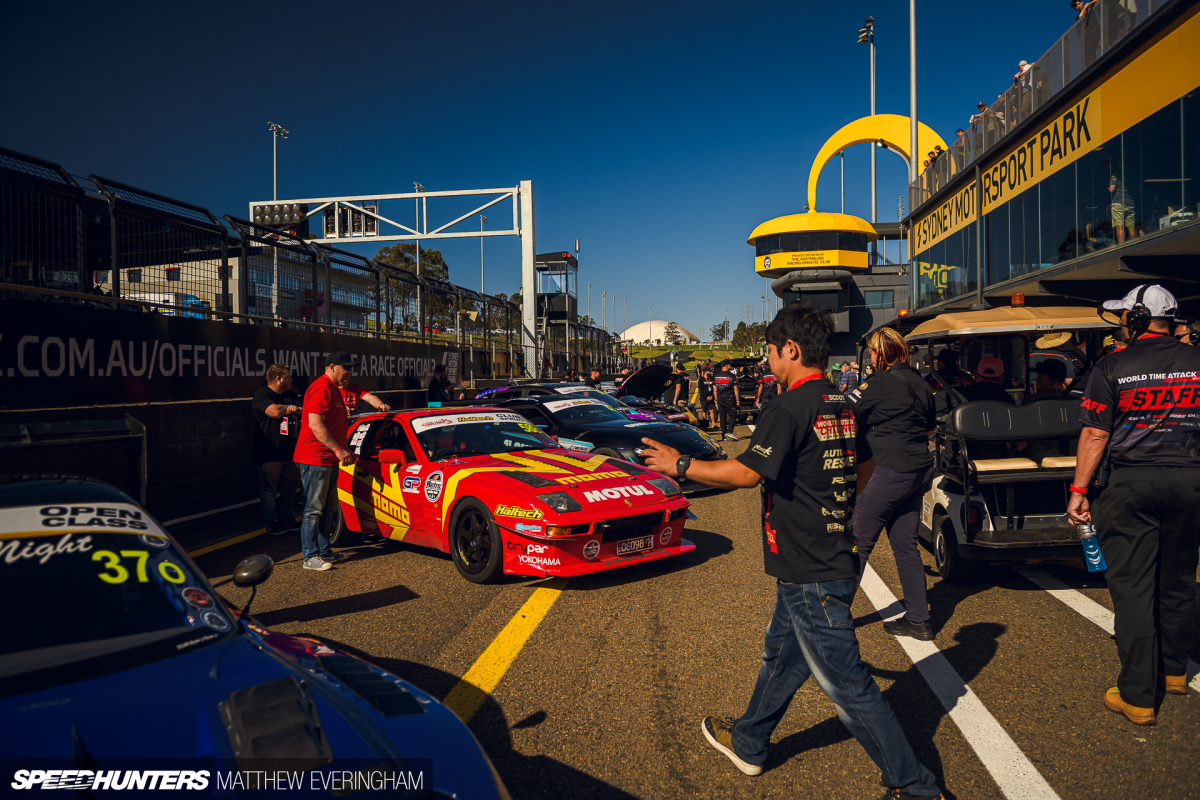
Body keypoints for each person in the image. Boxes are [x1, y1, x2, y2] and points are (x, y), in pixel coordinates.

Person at [638, 302, 942, 798]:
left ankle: (914, 785)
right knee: (782, 655)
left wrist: (680, 466)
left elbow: (744, 473)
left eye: (772, 351)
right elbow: (863, 469)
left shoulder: (787, 404)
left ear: (791, 350)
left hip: (809, 566)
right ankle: (751, 741)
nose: (770, 360)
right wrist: (827, 496)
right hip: (831, 555)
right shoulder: (841, 402)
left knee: (848, 685)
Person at [1067, 285, 1200, 726]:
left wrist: (1079, 490)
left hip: (1131, 485)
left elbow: (1095, 434)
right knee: (1179, 579)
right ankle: (1175, 672)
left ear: (1138, 318)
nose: (1121, 321)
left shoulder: (1113, 365)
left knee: (1134, 589)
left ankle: (1139, 696)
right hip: (1190, 482)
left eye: (1124, 315)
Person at [844, 328, 938, 641]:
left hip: (887, 471)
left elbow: (845, 413)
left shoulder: (877, 382)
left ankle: (833, 620)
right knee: (906, 547)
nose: (870, 357)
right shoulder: (920, 382)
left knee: (856, 545)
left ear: (881, 354)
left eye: (872, 352)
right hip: (918, 472)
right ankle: (918, 619)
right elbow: (928, 425)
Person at [293, 351, 359, 571]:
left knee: (327, 507)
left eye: (351, 368)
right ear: (332, 367)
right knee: (313, 509)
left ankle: (324, 551)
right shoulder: (321, 387)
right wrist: (338, 449)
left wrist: (341, 449)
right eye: (346, 368)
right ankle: (309, 556)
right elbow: (315, 424)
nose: (349, 372)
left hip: (328, 458)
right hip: (315, 458)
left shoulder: (334, 389)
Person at [251, 365, 302, 535]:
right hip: (268, 453)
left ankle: (287, 516)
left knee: (290, 487)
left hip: (290, 451)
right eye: (288, 376)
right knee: (269, 490)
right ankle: (272, 521)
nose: (291, 379)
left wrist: (293, 409)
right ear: (278, 378)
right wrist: (289, 409)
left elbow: (304, 410)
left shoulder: (291, 395)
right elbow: (273, 411)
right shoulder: (262, 395)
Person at [712, 361, 740, 440]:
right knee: (733, 415)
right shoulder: (731, 376)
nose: (730, 366)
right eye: (730, 364)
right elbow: (736, 389)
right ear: (727, 365)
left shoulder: (716, 376)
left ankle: (724, 435)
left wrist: (716, 400)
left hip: (720, 399)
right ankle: (730, 432)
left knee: (722, 417)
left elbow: (715, 389)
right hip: (729, 398)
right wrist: (737, 399)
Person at [1110, 173, 1136, 243]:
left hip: (1118, 202)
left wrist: (1108, 188)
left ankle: (1121, 248)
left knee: (1119, 227)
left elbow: (1112, 188)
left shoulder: (1115, 176)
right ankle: (1133, 246)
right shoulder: (1130, 176)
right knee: (1131, 226)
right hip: (1130, 202)